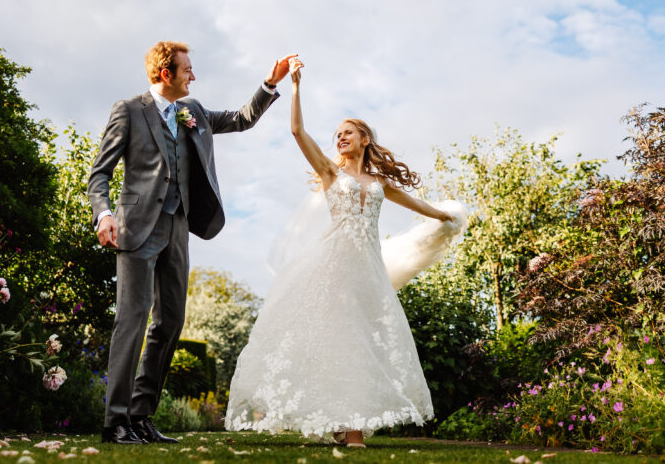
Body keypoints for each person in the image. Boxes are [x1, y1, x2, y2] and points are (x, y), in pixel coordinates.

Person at [225, 58, 457, 448]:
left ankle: (346, 421)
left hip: (368, 267)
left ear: (365, 139)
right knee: (337, 336)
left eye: (348, 132)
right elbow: (298, 131)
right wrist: (296, 86)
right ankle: (350, 430)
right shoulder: (331, 174)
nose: (340, 138)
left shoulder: (379, 181)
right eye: (337, 134)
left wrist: (444, 216)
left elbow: (417, 205)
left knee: (362, 339)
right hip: (332, 263)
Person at [88, 41, 296, 445]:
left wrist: (270, 83)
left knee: (171, 322)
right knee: (132, 319)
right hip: (136, 227)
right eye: (187, 69)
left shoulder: (193, 112)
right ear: (166, 73)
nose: (193, 76)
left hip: (178, 228)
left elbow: (240, 119)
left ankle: (142, 416)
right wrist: (104, 213)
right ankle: (115, 422)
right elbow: (100, 173)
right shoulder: (128, 111)